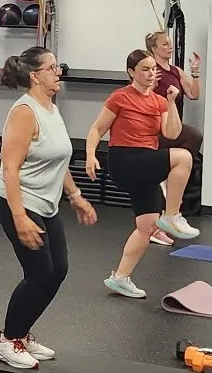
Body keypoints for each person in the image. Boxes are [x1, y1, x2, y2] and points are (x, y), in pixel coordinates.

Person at [0, 46, 97, 369]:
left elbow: (59, 159)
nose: (58, 72)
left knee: (57, 271)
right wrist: (19, 216)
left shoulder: (50, 107)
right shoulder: (24, 113)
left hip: (46, 203)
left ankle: (21, 333)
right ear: (35, 75)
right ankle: (7, 340)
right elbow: (10, 168)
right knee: (39, 274)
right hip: (16, 201)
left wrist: (75, 196)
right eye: (52, 68)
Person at [84, 50, 184, 299]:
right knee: (183, 157)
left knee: (147, 226)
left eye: (153, 69)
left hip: (145, 163)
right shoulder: (119, 98)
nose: (151, 74)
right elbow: (96, 128)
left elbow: (171, 134)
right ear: (131, 72)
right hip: (125, 159)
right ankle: (172, 215)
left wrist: (171, 103)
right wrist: (90, 155)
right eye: (144, 70)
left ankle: (120, 277)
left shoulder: (160, 102)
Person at [143, 30, 204, 245]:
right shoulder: (150, 71)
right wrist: (149, 85)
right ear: (154, 49)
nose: (169, 47)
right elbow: (136, 94)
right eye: (165, 44)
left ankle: (170, 180)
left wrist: (195, 72)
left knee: (193, 137)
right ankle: (165, 183)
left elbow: (194, 94)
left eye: (170, 44)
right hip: (155, 128)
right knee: (192, 135)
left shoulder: (176, 71)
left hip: (172, 126)